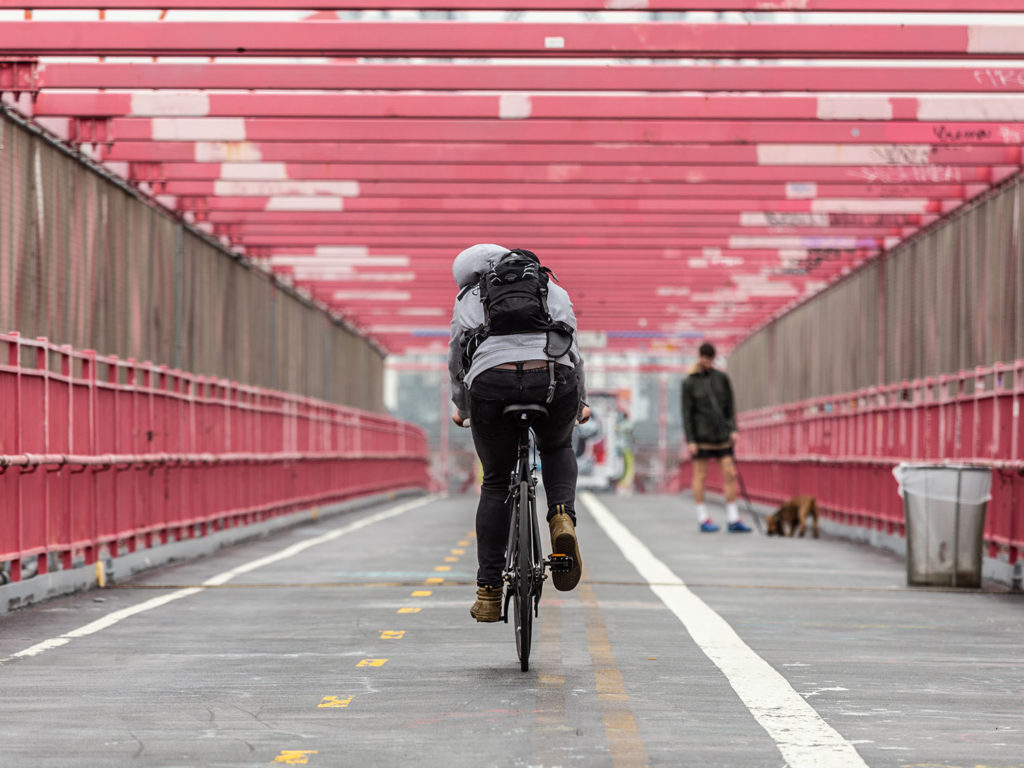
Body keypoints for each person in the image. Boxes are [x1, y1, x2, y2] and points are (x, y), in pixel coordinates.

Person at [448, 244, 590, 622]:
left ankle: (490, 591)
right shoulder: (550, 288)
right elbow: (573, 348)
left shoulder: (469, 297)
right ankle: (561, 516)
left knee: (496, 482)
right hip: (552, 379)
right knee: (557, 445)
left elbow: (457, 359)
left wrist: (462, 408)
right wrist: (580, 403)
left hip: (491, 384)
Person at [681, 342, 752, 533]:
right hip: (701, 437)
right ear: (700, 357)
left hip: (722, 435)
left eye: (710, 359)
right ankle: (703, 517)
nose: (707, 362)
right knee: (700, 476)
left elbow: (730, 405)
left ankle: (733, 518)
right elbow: (686, 413)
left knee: (730, 473)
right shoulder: (689, 382)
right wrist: (691, 440)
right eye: (705, 358)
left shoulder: (722, 378)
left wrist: (734, 429)